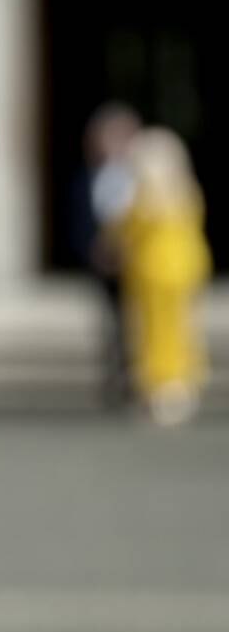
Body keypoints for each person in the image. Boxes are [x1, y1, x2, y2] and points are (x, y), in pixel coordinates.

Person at [115, 127, 212, 428]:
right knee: (180, 328)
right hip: (182, 268)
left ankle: (165, 384)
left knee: (158, 331)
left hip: (156, 270)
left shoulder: (147, 197)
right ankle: (177, 384)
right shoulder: (185, 191)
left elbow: (128, 229)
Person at [66, 103, 139, 410]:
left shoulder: (146, 177)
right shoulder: (86, 178)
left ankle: (139, 377)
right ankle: (117, 377)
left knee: (138, 322)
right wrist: (92, 252)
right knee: (112, 324)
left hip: (139, 263)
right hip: (102, 264)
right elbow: (79, 220)